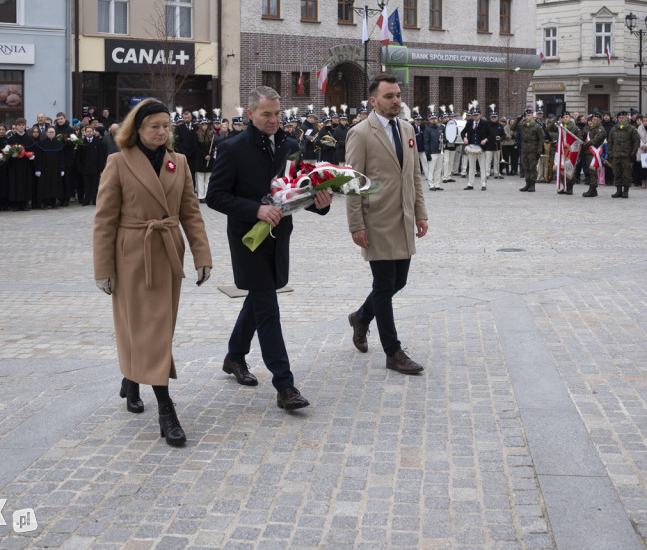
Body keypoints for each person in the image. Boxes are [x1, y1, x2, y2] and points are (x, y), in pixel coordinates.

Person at [93, 99, 212, 446]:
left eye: (166, 126)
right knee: (144, 329)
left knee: (158, 329)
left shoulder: (180, 162)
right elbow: (103, 221)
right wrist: (103, 268)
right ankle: (166, 409)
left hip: (167, 253)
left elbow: (191, 212)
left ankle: (132, 379)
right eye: (154, 126)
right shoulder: (118, 163)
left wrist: (201, 255)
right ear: (137, 129)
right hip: (131, 255)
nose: (162, 132)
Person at [206, 86, 332, 411]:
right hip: (248, 240)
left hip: (279, 239)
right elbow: (215, 196)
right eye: (266, 114)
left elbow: (298, 191)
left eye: (277, 113)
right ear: (250, 114)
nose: (274, 119)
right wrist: (255, 210)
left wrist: (320, 202)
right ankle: (285, 385)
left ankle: (234, 357)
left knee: (259, 300)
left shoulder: (291, 146)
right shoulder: (231, 148)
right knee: (267, 306)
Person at [345, 74, 428, 374]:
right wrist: (356, 224)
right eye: (389, 96)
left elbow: (414, 175)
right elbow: (352, 183)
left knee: (399, 282)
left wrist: (421, 212)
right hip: (376, 220)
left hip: (404, 218)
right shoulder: (360, 133)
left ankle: (361, 317)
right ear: (373, 100)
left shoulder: (406, 128)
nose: (396, 100)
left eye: (398, 95)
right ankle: (393, 352)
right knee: (383, 285)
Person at [608, 111, 639, 198]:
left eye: (623, 117)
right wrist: (610, 153)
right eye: (620, 118)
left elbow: (636, 142)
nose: (621, 119)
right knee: (617, 173)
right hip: (616, 155)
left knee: (626, 173)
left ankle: (625, 191)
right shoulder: (614, 128)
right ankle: (618, 190)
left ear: (627, 118)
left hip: (626, 155)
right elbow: (610, 141)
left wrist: (633, 153)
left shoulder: (631, 129)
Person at [515, 109, 545, 193]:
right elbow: (513, 127)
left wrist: (539, 151)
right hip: (524, 149)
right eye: (526, 115)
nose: (527, 117)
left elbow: (541, 139)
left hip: (533, 150)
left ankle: (532, 184)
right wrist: (518, 119)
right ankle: (527, 184)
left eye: (529, 115)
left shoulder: (537, 126)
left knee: (532, 168)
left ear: (533, 117)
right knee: (526, 167)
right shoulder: (523, 125)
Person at [461, 107, 490, 191]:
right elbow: (462, 132)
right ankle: (470, 184)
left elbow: (490, 135)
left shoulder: (485, 123)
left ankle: (483, 184)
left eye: (476, 115)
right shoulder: (469, 123)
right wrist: (465, 138)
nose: (475, 117)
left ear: (480, 115)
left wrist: (485, 139)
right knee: (471, 167)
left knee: (482, 166)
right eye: (474, 115)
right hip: (471, 147)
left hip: (481, 148)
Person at [423, 110, 444, 191]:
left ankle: (437, 184)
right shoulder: (427, 130)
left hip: (440, 151)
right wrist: (427, 153)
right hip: (432, 152)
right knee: (431, 169)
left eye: (435, 118)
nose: (434, 120)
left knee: (439, 169)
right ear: (429, 120)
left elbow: (443, 138)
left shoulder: (440, 128)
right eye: (432, 119)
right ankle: (431, 185)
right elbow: (426, 142)